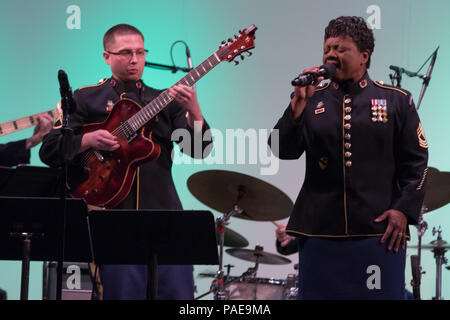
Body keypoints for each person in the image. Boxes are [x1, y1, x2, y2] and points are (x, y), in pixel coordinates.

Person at [39, 24, 212, 300]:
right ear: (107, 56)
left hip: (166, 217)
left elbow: (199, 150)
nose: (134, 60)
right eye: (126, 53)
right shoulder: (84, 98)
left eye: (140, 52)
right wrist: (87, 141)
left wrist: (195, 112)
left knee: (179, 298)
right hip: (114, 221)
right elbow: (49, 150)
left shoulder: (165, 99)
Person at [269, 16, 428, 299]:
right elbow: (283, 150)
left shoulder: (396, 100)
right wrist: (296, 105)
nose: (331, 54)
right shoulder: (311, 98)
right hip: (318, 235)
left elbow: (416, 163)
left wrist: (403, 210)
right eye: (328, 48)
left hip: (378, 235)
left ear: (364, 56)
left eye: (341, 49)